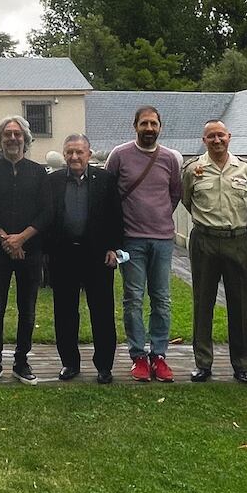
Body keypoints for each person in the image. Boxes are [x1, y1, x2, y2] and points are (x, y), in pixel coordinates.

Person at [106, 105, 182, 382]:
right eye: (144, 124)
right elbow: (108, 193)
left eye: (154, 124)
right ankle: (138, 356)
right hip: (131, 240)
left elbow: (174, 194)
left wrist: (158, 217)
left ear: (160, 127)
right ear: (134, 125)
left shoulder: (170, 159)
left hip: (162, 240)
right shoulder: (119, 155)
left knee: (162, 300)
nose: (149, 128)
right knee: (133, 299)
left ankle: (159, 355)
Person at [181, 119, 247, 383]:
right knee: (203, 302)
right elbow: (186, 200)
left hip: (237, 240)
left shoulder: (245, 170)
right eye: (211, 137)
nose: (217, 141)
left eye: (221, 136)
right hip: (204, 240)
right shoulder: (193, 169)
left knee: (240, 304)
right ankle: (203, 363)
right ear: (204, 141)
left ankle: (242, 364)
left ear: (229, 137)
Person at [0, 115, 53, 385]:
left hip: (30, 251)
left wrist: (21, 239)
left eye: (17, 134)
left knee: (27, 308)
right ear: (0, 140)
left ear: (26, 139)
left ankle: (22, 362)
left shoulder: (38, 172)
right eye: (7, 134)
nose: (12, 138)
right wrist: (6, 240)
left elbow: (46, 213)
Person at [47, 134, 121, 384]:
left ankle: (104, 366)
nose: (74, 157)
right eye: (69, 152)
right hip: (63, 255)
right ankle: (70, 363)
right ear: (64, 154)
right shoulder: (53, 181)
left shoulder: (106, 181)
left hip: (97, 256)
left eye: (79, 152)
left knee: (102, 312)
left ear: (89, 154)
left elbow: (116, 217)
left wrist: (114, 248)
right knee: (65, 312)